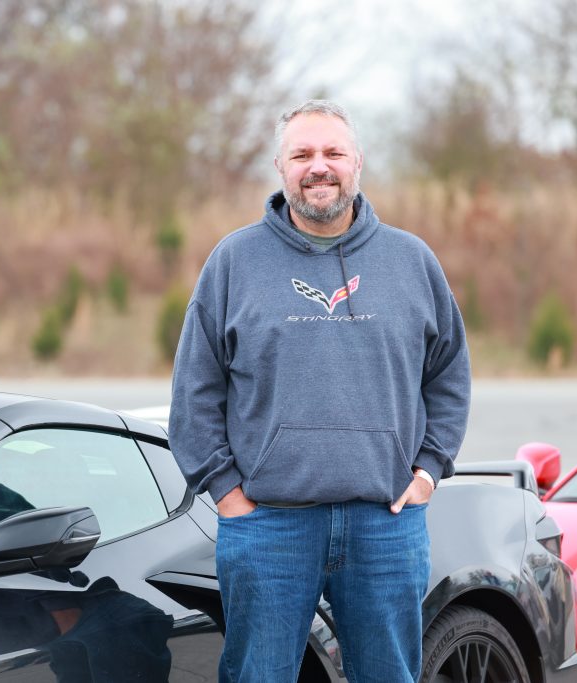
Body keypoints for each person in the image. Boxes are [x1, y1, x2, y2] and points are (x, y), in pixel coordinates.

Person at [168, 99, 471, 683]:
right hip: (268, 527)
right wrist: (228, 495)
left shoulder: (411, 261)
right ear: (281, 168)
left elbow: (450, 374)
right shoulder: (234, 261)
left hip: (385, 524)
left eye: (333, 152)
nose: (319, 167)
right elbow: (195, 392)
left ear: (357, 162)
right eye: (302, 154)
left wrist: (429, 470)